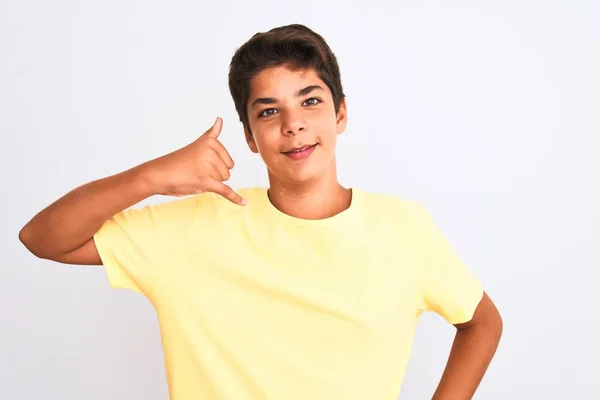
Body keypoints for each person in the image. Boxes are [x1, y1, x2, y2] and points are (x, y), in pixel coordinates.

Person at [19, 24, 503, 400]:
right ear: (250, 136)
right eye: (268, 111)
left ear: (340, 114)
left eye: (310, 102)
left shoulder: (402, 228)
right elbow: (42, 238)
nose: (293, 125)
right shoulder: (195, 226)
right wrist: (151, 177)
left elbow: (481, 321)